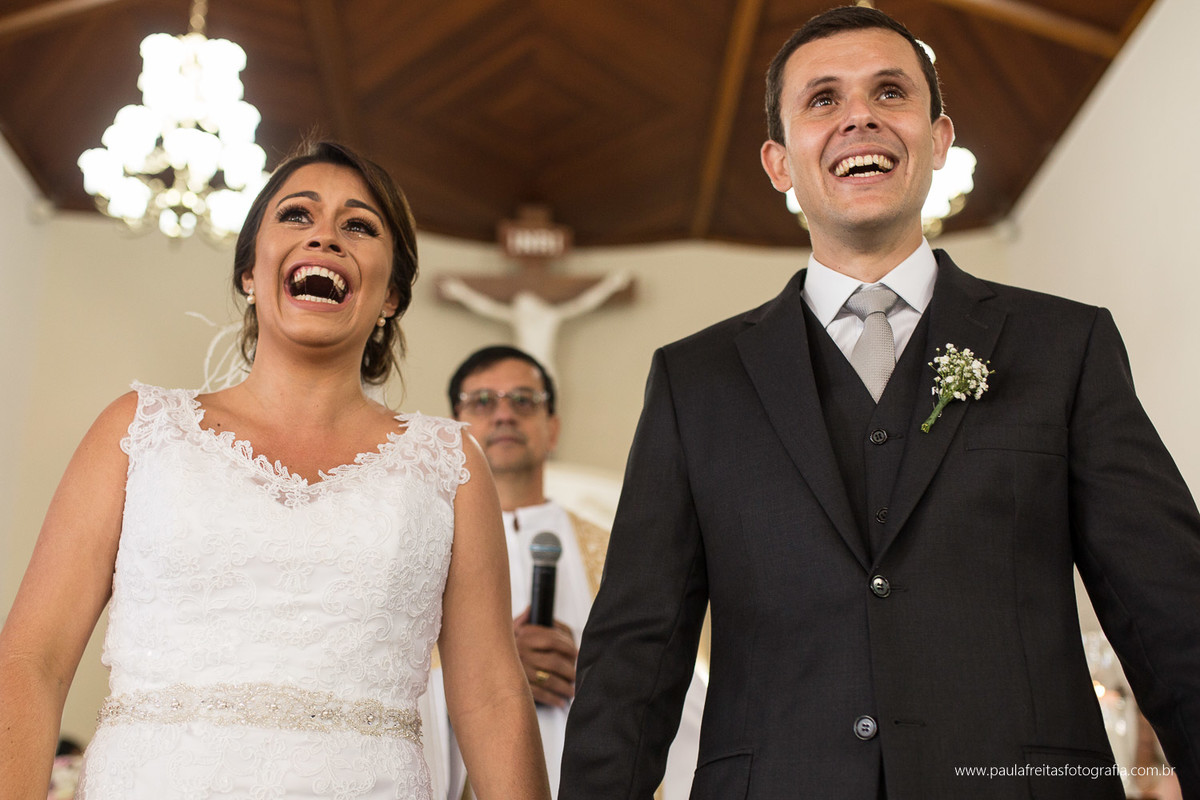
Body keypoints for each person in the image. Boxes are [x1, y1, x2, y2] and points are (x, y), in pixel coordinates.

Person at [560, 6, 1200, 799]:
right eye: (823, 99)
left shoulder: (1064, 348)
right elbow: (635, 657)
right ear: (778, 162)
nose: (858, 116)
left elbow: (1172, 613)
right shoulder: (695, 382)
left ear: (938, 139)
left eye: (890, 92)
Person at [0, 141, 550, 800]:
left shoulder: (450, 465)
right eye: (296, 215)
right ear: (249, 273)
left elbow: (490, 697)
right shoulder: (137, 431)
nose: (325, 236)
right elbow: (32, 662)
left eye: (358, 225)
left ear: (392, 295)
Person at [422, 345, 703, 798]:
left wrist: (602, 674)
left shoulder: (618, 550)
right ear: (454, 430)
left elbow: (683, 682)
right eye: (482, 402)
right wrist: (485, 673)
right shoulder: (421, 552)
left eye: (523, 400)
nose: (504, 415)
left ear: (552, 429)